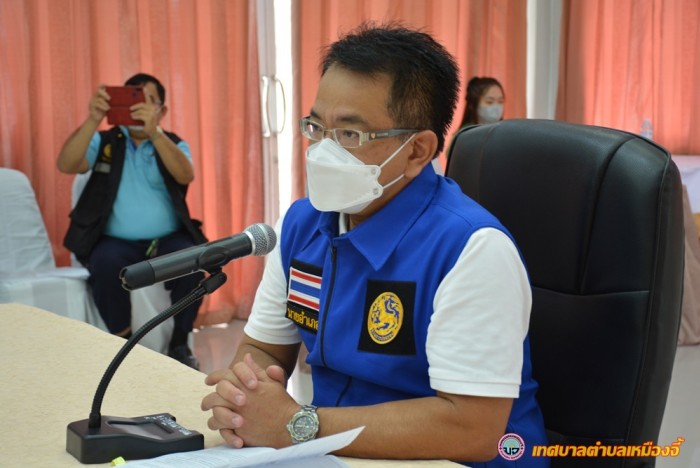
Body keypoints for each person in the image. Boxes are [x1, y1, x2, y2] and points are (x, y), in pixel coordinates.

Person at [201, 24, 548, 467]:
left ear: (417, 151)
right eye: (316, 128)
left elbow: (472, 428)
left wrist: (295, 425)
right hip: (337, 454)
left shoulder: (471, 249)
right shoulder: (301, 225)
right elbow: (266, 348)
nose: (323, 151)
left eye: (350, 135)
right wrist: (244, 399)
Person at [57, 73, 206, 369]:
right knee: (105, 263)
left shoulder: (172, 142)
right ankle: (124, 342)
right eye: (131, 100)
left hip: (167, 239)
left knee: (193, 263)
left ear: (161, 110)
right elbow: (66, 164)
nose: (137, 109)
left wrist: (155, 134)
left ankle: (179, 342)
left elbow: (185, 174)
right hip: (117, 241)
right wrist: (93, 119)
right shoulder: (106, 141)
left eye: (147, 101)